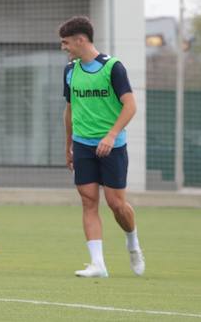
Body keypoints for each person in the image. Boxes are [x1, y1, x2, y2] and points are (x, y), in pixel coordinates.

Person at [60, 16, 143, 278]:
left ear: (81, 40)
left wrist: (111, 135)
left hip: (113, 146)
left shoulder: (113, 68)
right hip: (82, 145)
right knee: (88, 200)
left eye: (66, 42)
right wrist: (68, 144)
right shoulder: (70, 70)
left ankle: (132, 243)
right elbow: (70, 109)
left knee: (116, 204)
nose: (64, 47)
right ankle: (98, 264)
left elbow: (130, 106)